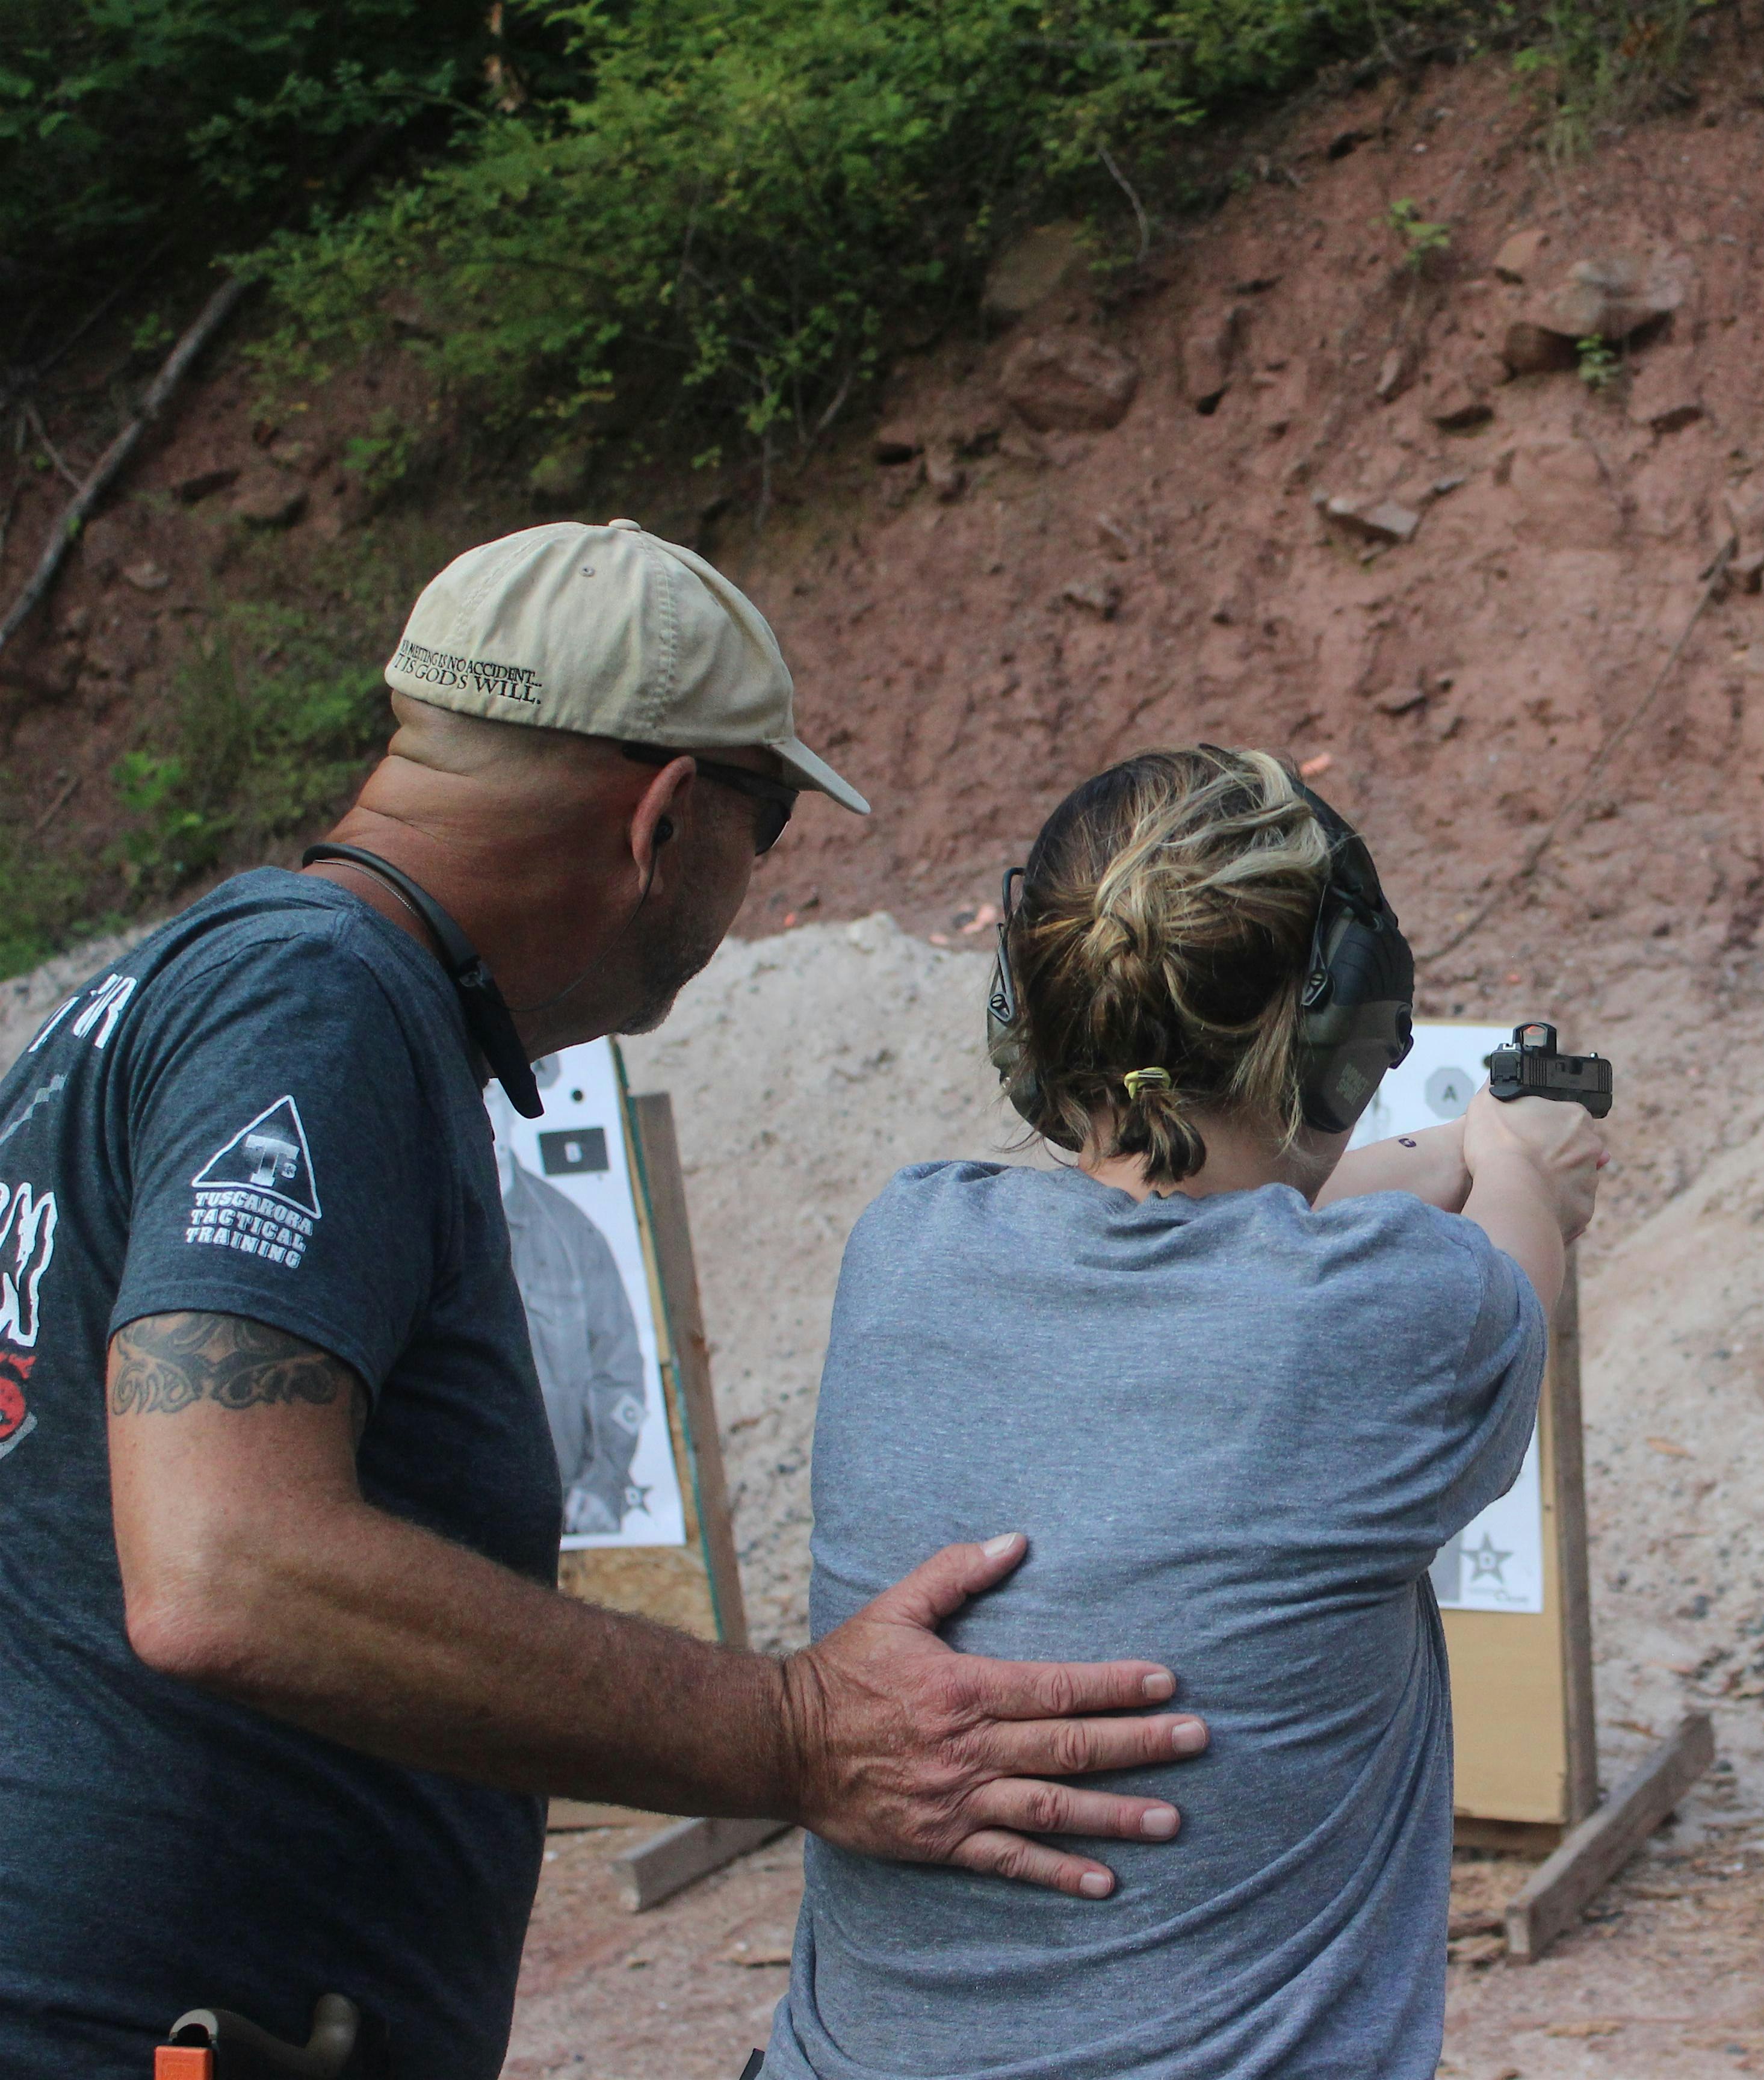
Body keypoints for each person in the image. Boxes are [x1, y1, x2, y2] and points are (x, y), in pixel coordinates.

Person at [0, 520, 1210, 2080]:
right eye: (763, 820)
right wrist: (793, 1732)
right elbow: (227, 1564)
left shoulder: (187, 992)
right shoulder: (315, 1003)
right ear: (662, 819)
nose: (750, 872)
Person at [761, 746, 1606, 2080]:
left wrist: (1411, 1168)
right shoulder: (1404, 1319)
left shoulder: (908, 1241)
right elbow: (1511, 1256)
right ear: (1342, 1032)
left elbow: (1216, 1258)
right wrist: (1514, 1159)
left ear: (1027, 1013)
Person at [490, 1086, 651, 1536]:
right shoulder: (418, 1231)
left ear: (511, 1110)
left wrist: (604, 1482)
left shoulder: (571, 1232)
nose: (481, 1112)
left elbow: (620, 1372)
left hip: (567, 1520)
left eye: (490, 1096)